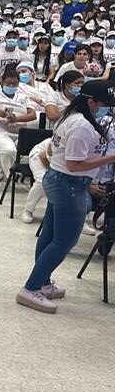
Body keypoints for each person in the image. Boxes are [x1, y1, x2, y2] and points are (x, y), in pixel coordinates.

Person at [19, 80, 115, 314]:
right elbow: (74, 164)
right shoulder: (81, 125)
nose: (105, 109)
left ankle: (42, 281)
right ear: (91, 102)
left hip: (59, 180)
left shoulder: (71, 116)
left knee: (51, 234)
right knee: (65, 241)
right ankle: (31, 288)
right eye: (103, 104)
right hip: (69, 184)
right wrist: (110, 158)